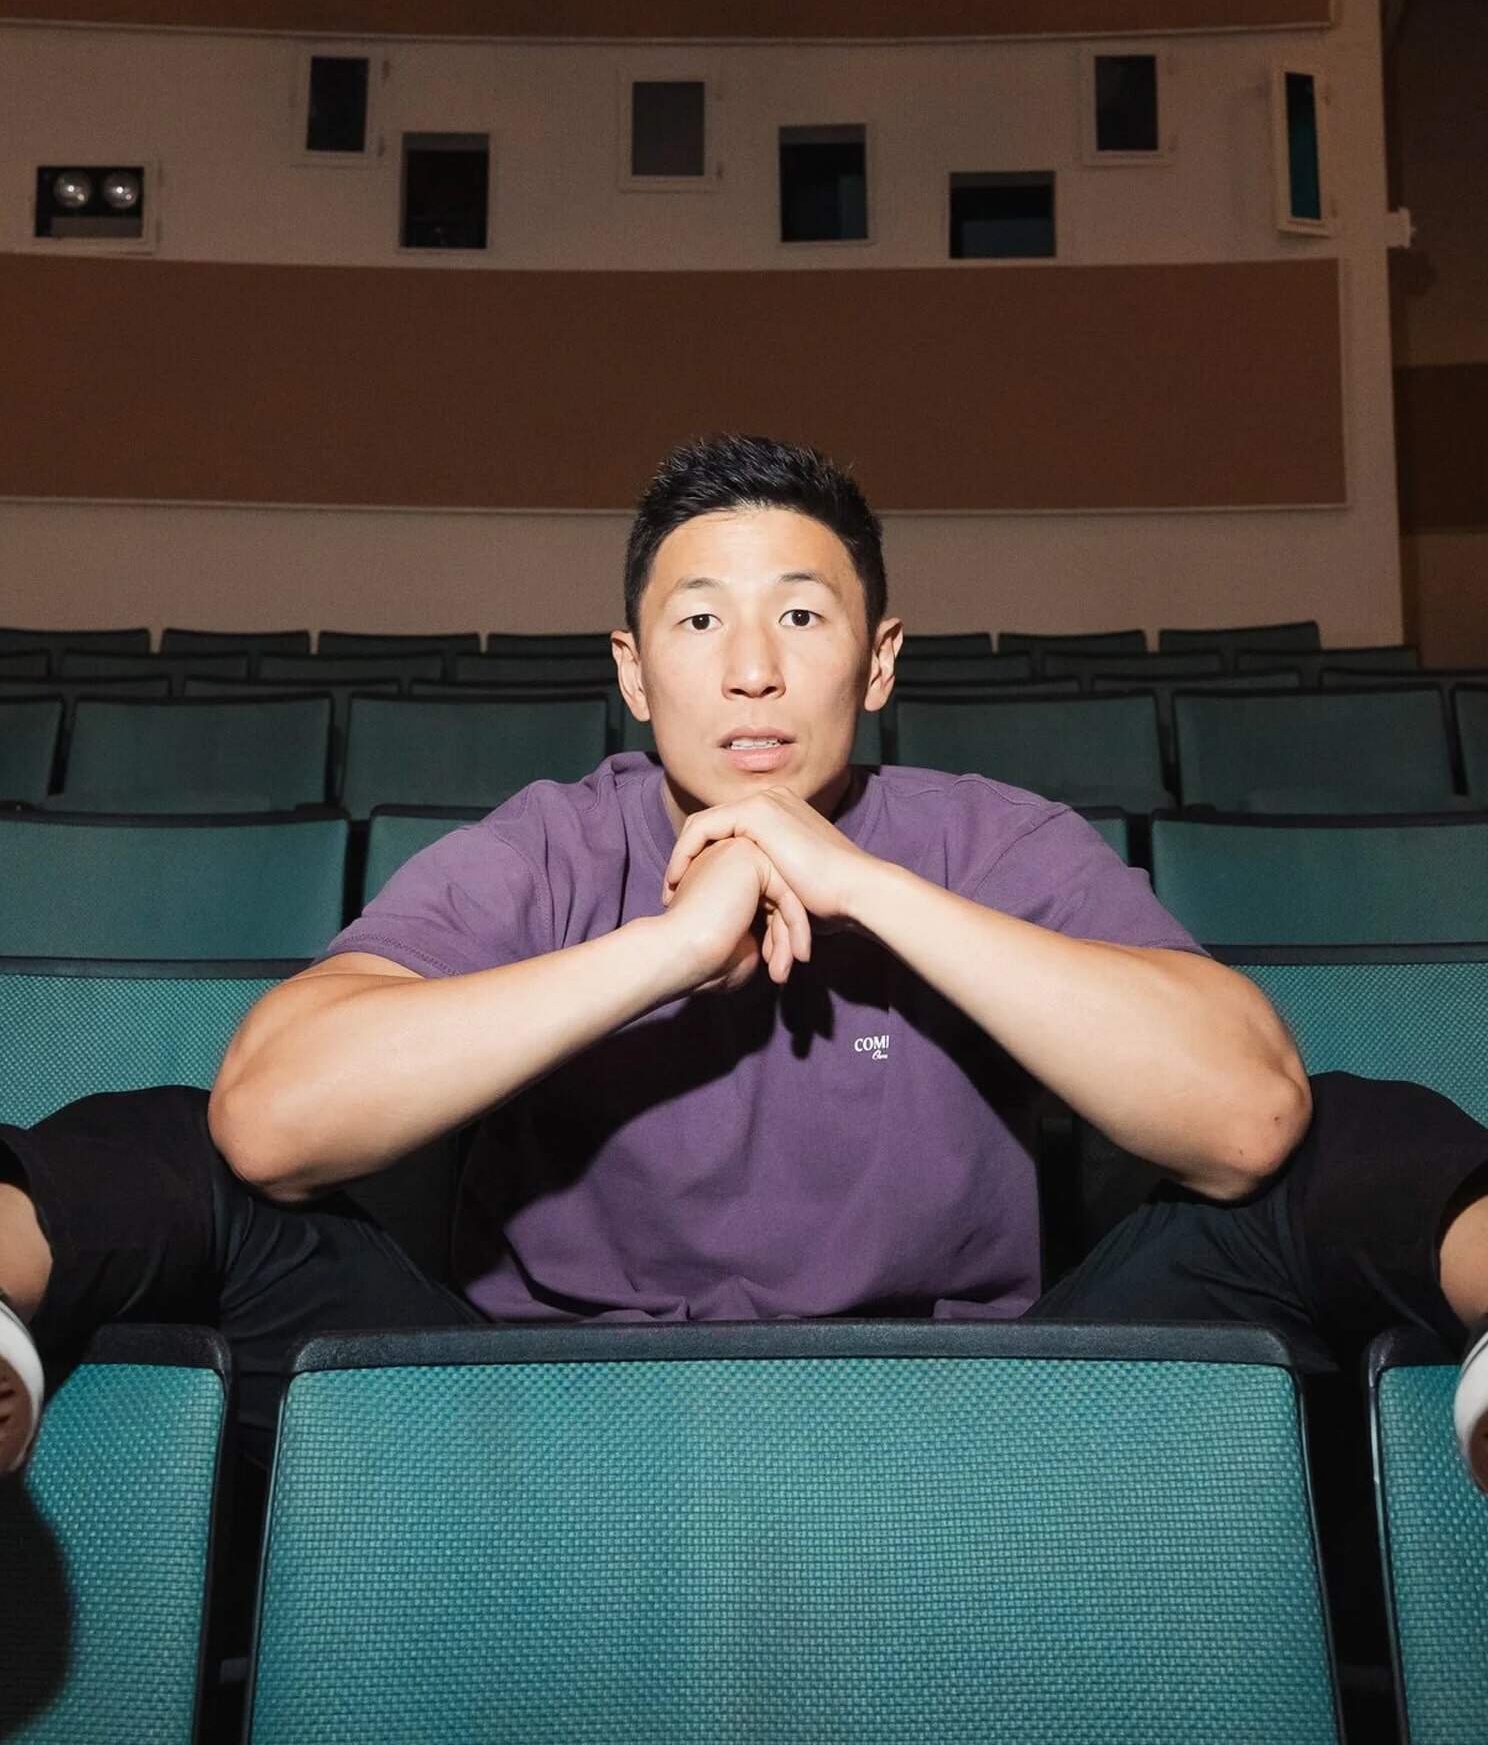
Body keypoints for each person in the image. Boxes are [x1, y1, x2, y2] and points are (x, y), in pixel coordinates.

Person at [1, 433, 1485, 1493]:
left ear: (880, 661)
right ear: (636, 672)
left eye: (801, 616)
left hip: (983, 1406)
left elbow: (1245, 1119)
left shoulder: (991, 839)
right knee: (180, 1153)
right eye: (700, 622)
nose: (754, 668)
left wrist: (864, 888)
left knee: (1341, 1140)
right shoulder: (548, 845)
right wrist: (664, 948)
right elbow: (275, 1114)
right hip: (525, 1409)